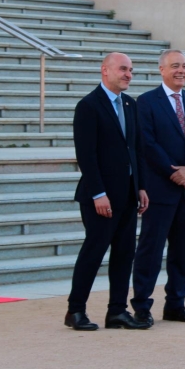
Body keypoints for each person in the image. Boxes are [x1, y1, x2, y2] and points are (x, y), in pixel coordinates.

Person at [65, 52, 150, 331]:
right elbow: (86, 155)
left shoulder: (130, 104)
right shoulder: (89, 105)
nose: (128, 74)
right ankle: (75, 310)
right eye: (123, 69)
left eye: (131, 70)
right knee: (94, 251)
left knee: (125, 253)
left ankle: (117, 311)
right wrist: (98, 193)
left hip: (127, 193)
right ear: (105, 70)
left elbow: (136, 149)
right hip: (99, 196)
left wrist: (140, 186)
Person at [130, 49, 185, 326]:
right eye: (175, 66)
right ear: (161, 69)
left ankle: (176, 303)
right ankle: (142, 305)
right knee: (150, 251)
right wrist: (174, 172)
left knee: (182, 252)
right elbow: (147, 144)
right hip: (160, 189)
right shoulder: (146, 102)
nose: (181, 70)